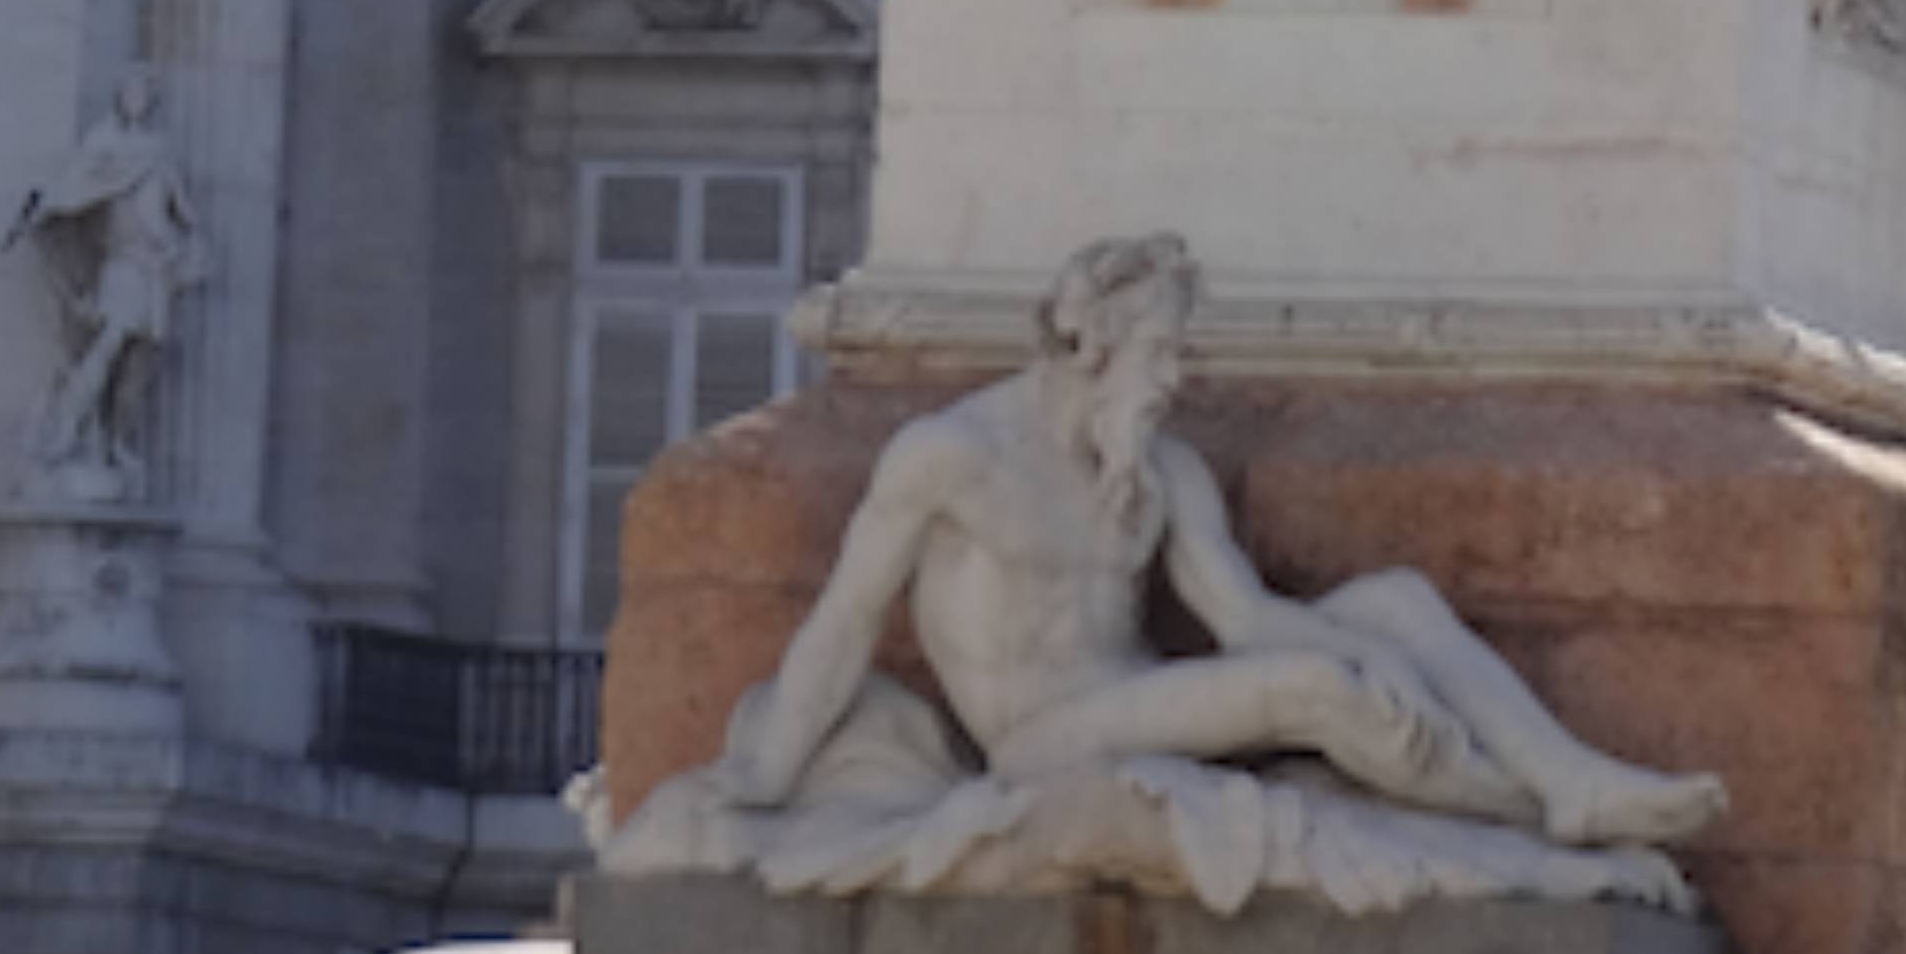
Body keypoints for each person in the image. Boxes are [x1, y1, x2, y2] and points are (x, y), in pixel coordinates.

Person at [712, 235, 1723, 865]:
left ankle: (1572, 780)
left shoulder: (1161, 470)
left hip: (1143, 699)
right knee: (1312, 690)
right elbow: (844, 622)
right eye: (1162, 352)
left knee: (1396, 604)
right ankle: (1526, 816)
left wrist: (1369, 651)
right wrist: (762, 776)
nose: (1175, 378)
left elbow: (1243, 618)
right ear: (1097, 348)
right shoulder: (952, 458)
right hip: (1039, 739)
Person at [15, 66, 205, 495]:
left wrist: (184, 246)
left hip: (153, 269)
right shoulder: (102, 146)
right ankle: (70, 435)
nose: (137, 99)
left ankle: (113, 443)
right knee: (105, 349)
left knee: (138, 362)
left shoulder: (160, 150)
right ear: (121, 97)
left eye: (145, 92)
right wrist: (46, 210)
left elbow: (183, 210)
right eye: (131, 91)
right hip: (121, 266)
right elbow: (73, 190)